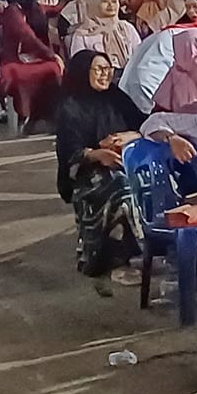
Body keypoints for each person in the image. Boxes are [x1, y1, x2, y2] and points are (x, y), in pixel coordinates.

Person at [55, 50, 144, 280]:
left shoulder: (116, 97)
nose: (106, 74)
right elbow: (69, 152)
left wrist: (130, 137)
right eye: (99, 70)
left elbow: (143, 124)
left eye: (109, 69)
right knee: (122, 189)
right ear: (83, 72)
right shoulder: (71, 106)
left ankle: (151, 247)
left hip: (126, 162)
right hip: (89, 172)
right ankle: (125, 253)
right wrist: (97, 154)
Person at [0, 0, 65, 128]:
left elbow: (53, 9)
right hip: (14, 60)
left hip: (29, 56)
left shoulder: (32, 7)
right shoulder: (13, 12)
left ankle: (48, 114)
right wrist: (51, 55)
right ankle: (38, 114)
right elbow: (27, 37)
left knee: (54, 67)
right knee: (53, 68)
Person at [67, 0, 140, 70]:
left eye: (114, 1)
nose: (111, 5)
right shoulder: (82, 34)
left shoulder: (127, 28)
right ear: (94, 4)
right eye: (105, 1)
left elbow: (140, 55)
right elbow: (78, 65)